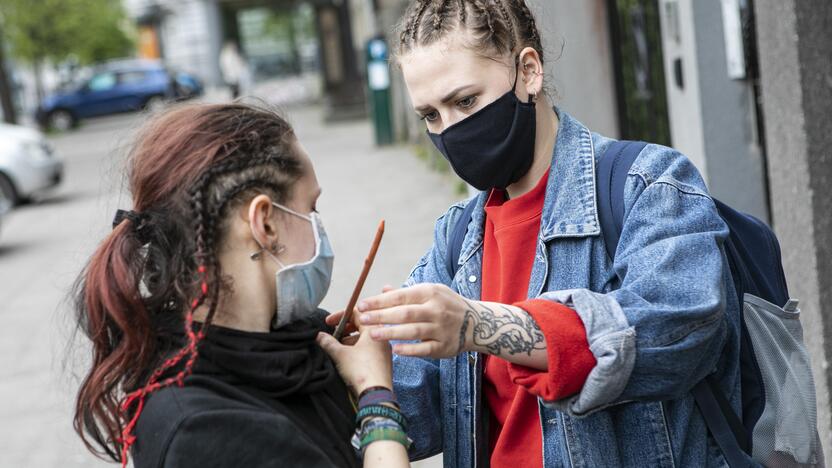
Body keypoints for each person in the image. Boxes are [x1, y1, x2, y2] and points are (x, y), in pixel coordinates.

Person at [327, 1, 742, 467]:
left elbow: (678, 330)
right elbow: (418, 411)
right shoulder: (457, 239)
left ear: (528, 72)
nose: (449, 131)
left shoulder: (649, 183)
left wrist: (478, 326)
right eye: (430, 115)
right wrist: (350, 366)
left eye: (465, 101)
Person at [72, 102, 410, 468]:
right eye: (311, 208)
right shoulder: (205, 431)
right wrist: (376, 396)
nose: (318, 226)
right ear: (264, 224)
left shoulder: (299, 338)